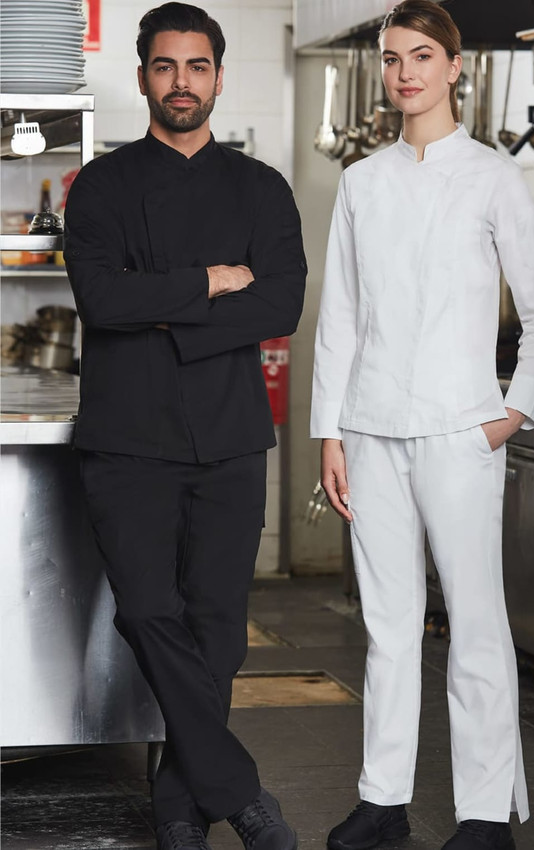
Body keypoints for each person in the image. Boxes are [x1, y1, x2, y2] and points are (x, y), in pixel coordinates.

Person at [310, 2, 534, 849]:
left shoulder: (493, 177)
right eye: (392, 58)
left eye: (422, 56)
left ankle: (485, 817)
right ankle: (382, 802)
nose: (405, 72)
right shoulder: (362, 182)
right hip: (372, 430)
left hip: (461, 433)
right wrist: (330, 433)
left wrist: (509, 416)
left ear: (454, 67)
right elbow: (341, 319)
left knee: (475, 622)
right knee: (386, 629)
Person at [64, 4, 306, 850]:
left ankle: (176, 808)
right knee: (146, 611)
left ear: (217, 76)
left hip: (231, 440)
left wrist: (161, 306)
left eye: (196, 67)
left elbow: (282, 303)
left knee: (217, 630)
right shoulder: (99, 186)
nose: (181, 83)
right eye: (165, 67)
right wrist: (207, 282)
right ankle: (238, 792)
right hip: (127, 440)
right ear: (142, 78)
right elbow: (102, 299)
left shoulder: (261, 187)